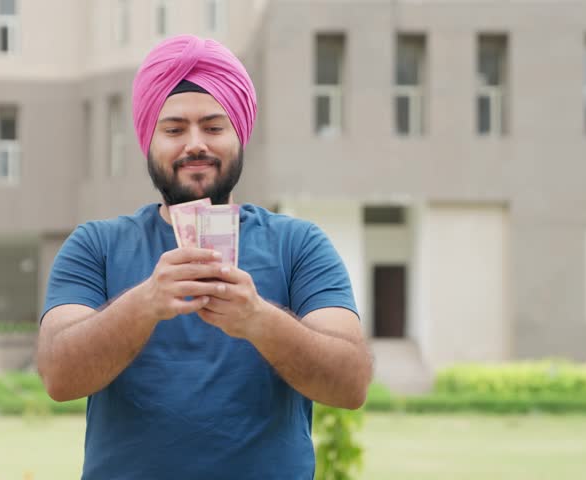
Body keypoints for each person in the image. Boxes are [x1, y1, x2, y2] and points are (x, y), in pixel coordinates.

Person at [37, 34, 372, 479]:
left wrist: (258, 319)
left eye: (214, 127)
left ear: (240, 134)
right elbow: (59, 376)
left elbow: (351, 383)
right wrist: (145, 304)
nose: (195, 144)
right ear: (147, 139)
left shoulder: (299, 244)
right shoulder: (95, 246)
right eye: (174, 129)